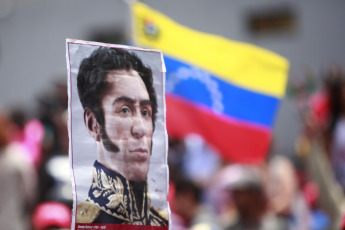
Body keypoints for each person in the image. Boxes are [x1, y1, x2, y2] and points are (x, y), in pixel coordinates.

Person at [75, 47, 168, 226]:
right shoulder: (87, 223)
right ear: (93, 123)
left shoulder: (161, 221)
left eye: (145, 112)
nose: (140, 128)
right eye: (125, 110)